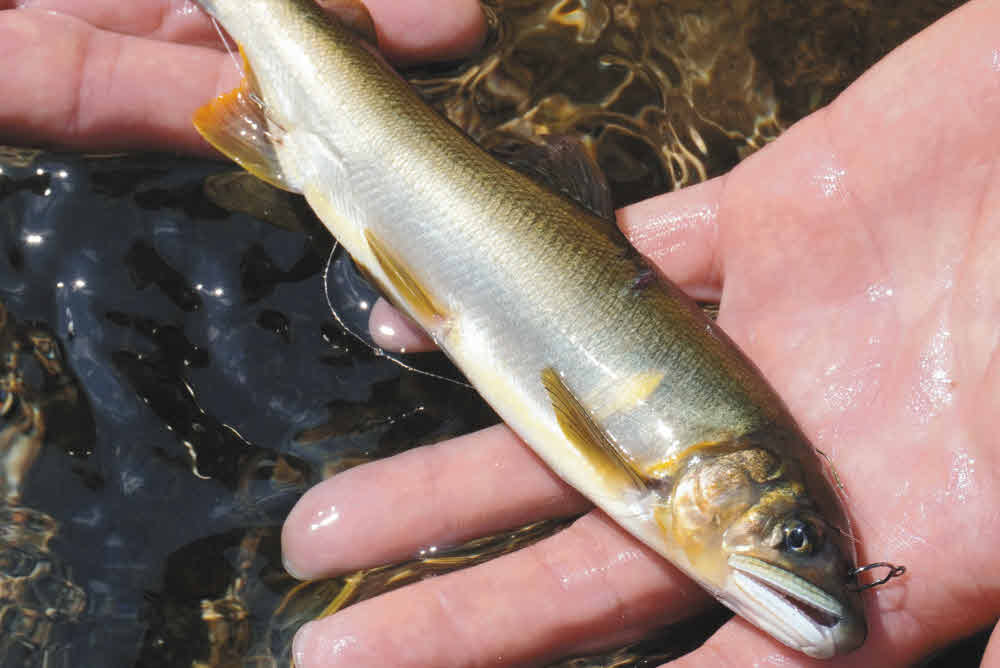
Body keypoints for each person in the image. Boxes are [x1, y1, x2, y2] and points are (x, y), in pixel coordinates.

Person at [2, 0, 997, 666]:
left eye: (798, 540)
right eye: (794, 534)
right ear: (724, 473)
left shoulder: (687, 489)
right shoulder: (650, 468)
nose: (809, 571)